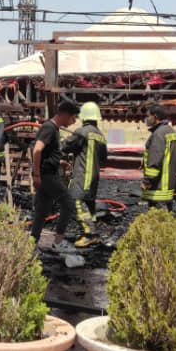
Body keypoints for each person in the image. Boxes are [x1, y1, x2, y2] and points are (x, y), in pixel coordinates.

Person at [30, 99, 81, 252]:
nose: (73, 122)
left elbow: (46, 154)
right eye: (73, 118)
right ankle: (58, 242)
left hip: (47, 173)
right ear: (65, 115)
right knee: (68, 203)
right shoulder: (49, 128)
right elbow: (37, 150)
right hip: (47, 176)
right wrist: (36, 175)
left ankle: (31, 243)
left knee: (42, 211)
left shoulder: (54, 129)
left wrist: (59, 162)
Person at [63, 101, 108, 248]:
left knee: (75, 201)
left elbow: (65, 147)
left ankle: (90, 234)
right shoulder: (100, 136)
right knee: (89, 204)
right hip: (94, 177)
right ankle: (91, 232)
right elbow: (103, 158)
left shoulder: (81, 132)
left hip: (83, 175)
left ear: (83, 117)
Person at [141, 104, 176, 210]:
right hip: (168, 184)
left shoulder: (158, 134)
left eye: (148, 116)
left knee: (156, 218)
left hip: (158, 187)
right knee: (166, 217)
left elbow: (155, 160)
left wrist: (146, 181)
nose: (146, 119)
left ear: (155, 117)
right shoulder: (170, 131)